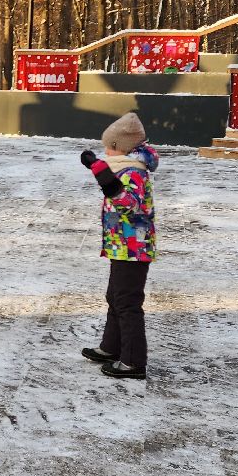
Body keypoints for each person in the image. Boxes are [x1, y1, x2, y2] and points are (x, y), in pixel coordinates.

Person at [79, 112, 159, 380]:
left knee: (127, 303)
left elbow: (128, 204)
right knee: (115, 297)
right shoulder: (125, 167)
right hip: (122, 247)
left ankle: (133, 362)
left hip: (133, 250)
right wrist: (98, 169)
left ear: (119, 148)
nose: (105, 151)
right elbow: (114, 186)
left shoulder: (134, 172)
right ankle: (111, 347)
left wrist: (102, 176)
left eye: (108, 147)